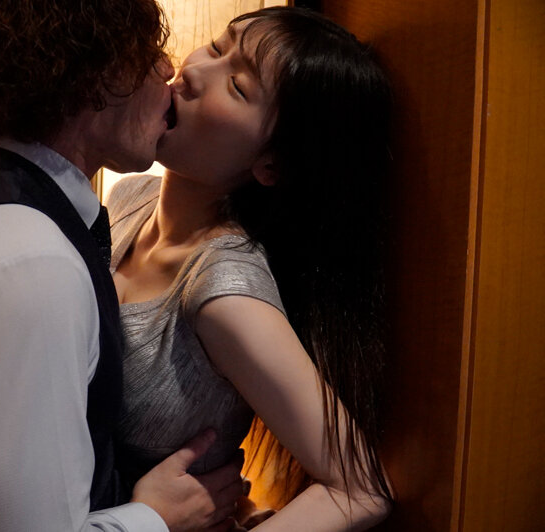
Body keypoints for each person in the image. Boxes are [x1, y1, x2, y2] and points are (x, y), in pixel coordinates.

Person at [0, 1, 243, 531]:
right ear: (96, 77)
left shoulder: (14, 217)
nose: (168, 68)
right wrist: (156, 518)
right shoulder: (29, 264)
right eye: (146, 54)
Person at [106, 6, 394, 529]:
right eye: (218, 46)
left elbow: (361, 488)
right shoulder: (129, 198)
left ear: (271, 165)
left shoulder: (224, 287)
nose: (194, 70)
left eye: (237, 86)